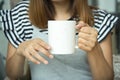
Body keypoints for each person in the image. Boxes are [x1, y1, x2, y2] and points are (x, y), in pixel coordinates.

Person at [0, 0, 118, 80]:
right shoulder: (22, 14)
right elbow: (13, 74)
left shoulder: (99, 18)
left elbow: (106, 78)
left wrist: (94, 49)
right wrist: (19, 52)